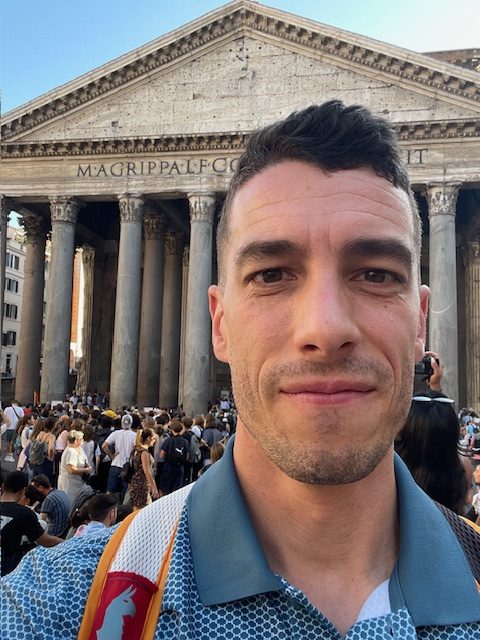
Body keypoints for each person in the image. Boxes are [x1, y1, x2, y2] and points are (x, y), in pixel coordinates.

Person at [1, 102, 479, 638]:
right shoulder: (65, 601)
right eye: (272, 274)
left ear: (419, 323)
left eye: (375, 273)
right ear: (220, 323)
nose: (324, 328)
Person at [0, 471, 62, 576]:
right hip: (7, 571)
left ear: (3, 486)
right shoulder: (24, 514)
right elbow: (46, 541)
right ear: (23, 490)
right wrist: (67, 542)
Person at [102, 413, 137, 498]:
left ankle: (107, 507)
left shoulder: (116, 433)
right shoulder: (134, 435)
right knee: (126, 493)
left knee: (110, 491)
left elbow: (104, 446)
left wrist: (112, 456)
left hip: (115, 464)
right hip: (128, 466)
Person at [57, 430, 92, 503]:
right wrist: (86, 470)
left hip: (79, 482)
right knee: (71, 502)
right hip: (70, 484)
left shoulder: (79, 449)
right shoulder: (71, 451)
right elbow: (71, 469)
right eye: (81, 439)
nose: (83, 440)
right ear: (76, 440)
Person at [129, 427, 159, 509]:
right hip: (142, 483)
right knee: (143, 508)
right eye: (153, 438)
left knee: (136, 508)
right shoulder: (144, 452)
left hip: (135, 482)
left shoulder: (136, 450)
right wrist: (154, 487)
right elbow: (147, 470)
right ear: (148, 438)